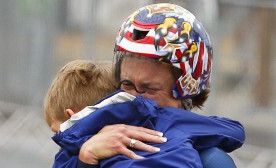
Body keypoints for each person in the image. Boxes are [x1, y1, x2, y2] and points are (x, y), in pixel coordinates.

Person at [74, 3, 245, 168]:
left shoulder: (209, 161)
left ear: (187, 91)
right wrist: (87, 158)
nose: (134, 99)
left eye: (150, 89)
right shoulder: (94, 142)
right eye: (127, 84)